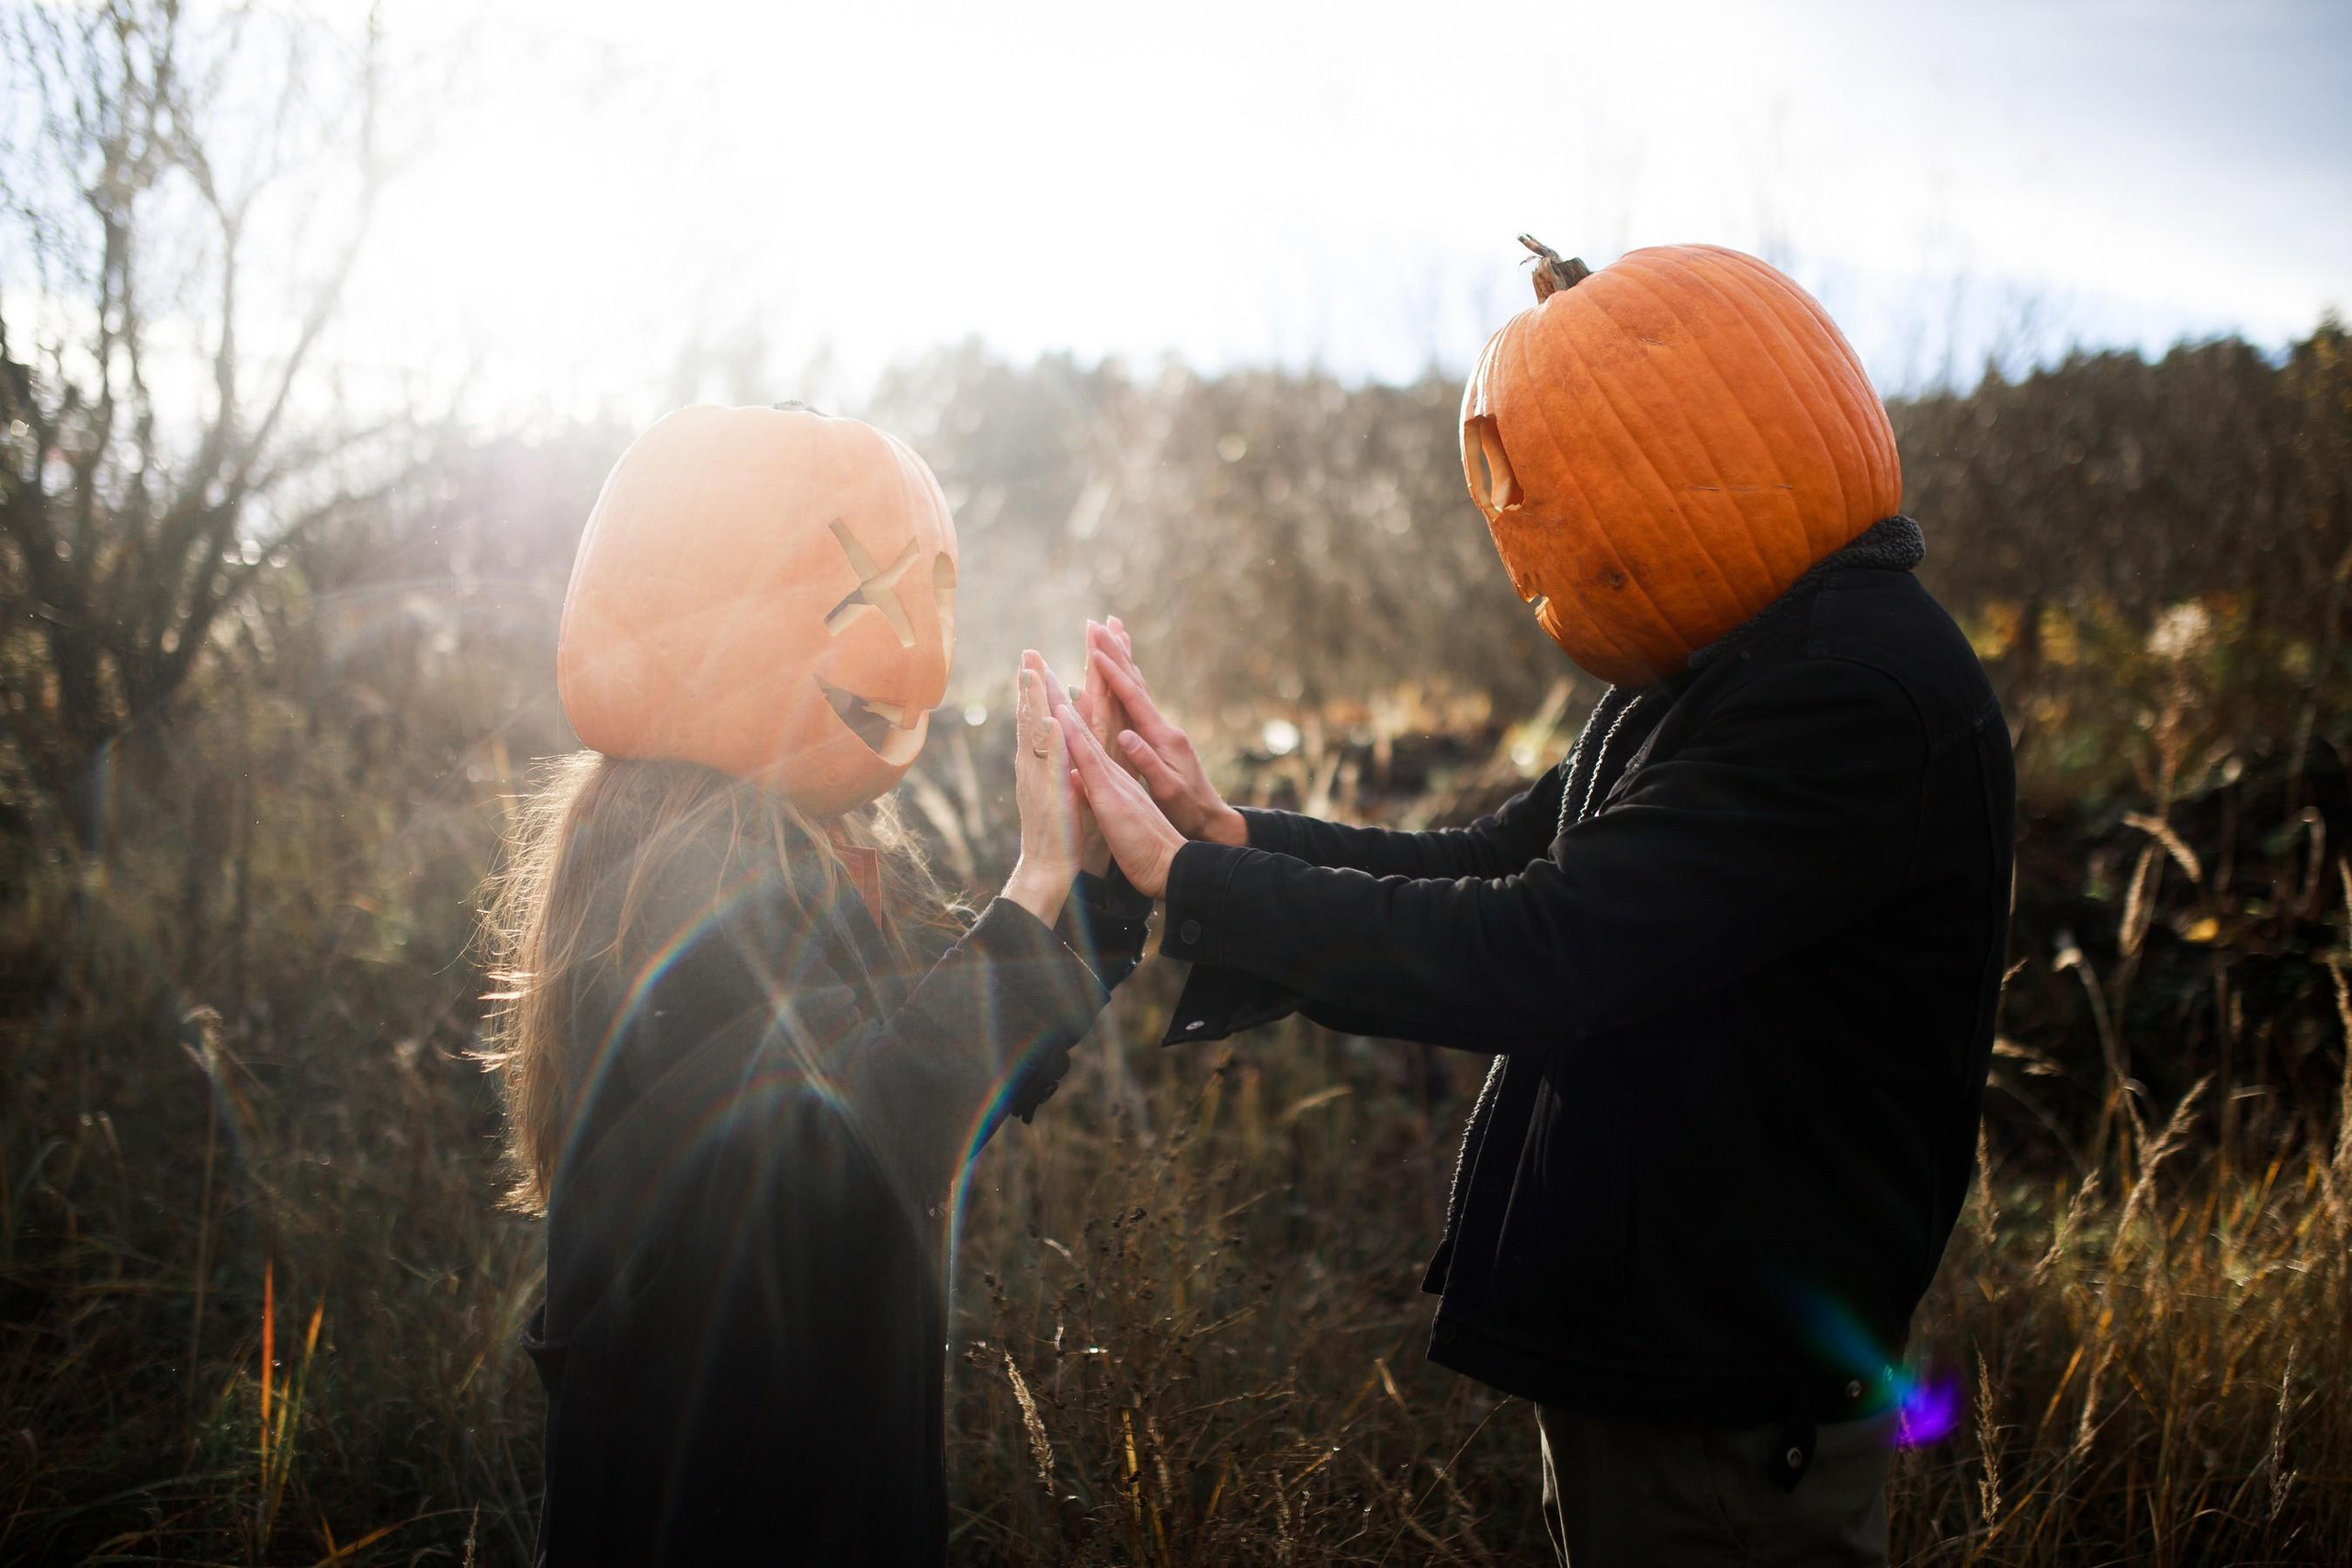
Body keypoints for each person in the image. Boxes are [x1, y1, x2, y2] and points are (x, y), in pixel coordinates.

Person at [1058, 251, 2016, 1566]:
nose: (1519, 522)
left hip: (1732, 1411)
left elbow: (1537, 950)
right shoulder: (1730, 659)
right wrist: (1227, 836)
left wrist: (1194, 885)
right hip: (1671, 1373)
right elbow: (1498, 859)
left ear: (1693, 456)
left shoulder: (1845, 695)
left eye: (1544, 472)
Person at [476, 404, 1149, 1565]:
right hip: (719, 1487)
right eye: (863, 597)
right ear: (717, 618)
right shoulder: (682, 880)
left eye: (931, 597)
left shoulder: (810, 837)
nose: (920, 657)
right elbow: (856, 1137)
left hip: (806, 1448)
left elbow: (950, 1054)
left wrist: (1089, 884)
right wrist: (1033, 885)